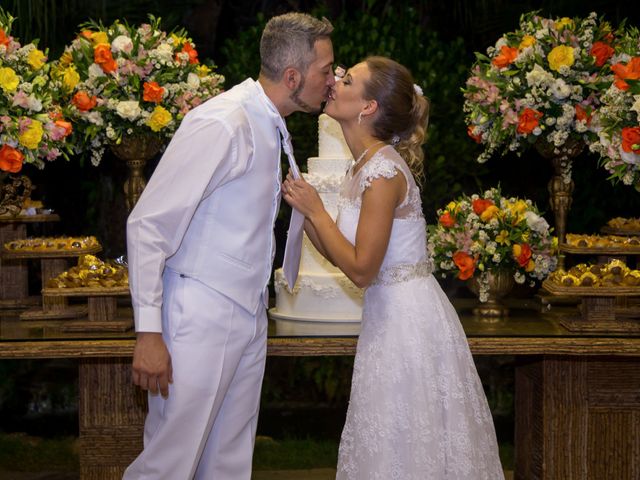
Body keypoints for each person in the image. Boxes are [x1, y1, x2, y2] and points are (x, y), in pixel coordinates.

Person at [123, 13, 335, 479]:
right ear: (293, 77)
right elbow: (147, 227)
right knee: (168, 464)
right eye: (327, 70)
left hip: (245, 312)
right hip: (199, 314)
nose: (332, 80)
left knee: (228, 464)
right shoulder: (223, 122)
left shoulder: (269, 122)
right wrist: (149, 332)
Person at [283, 56, 504, 479]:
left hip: (409, 322)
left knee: (409, 439)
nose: (335, 82)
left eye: (347, 80)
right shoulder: (361, 166)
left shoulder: (383, 172)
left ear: (368, 107)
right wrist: (303, 213)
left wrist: (319, 213)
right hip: (387, 317)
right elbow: (342, 253)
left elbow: (362, 270)